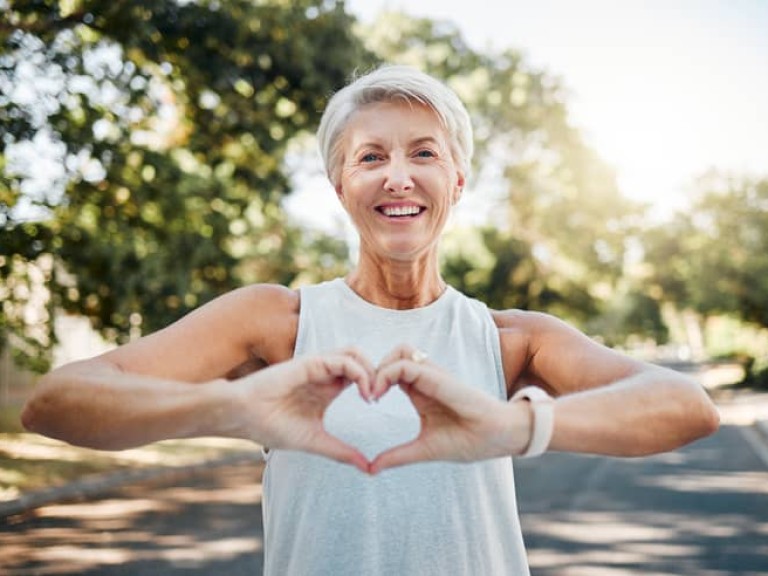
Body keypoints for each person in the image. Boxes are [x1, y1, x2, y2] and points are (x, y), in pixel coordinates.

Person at [21, 64, 720, 575]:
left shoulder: (510, 340)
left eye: (424, 153)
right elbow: (55, 404)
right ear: (340, 186)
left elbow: (686, 407)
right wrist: (231, 407)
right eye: (371, 157)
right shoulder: (276, 322)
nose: (398, 176)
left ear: (456, 182)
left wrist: (515, 425)